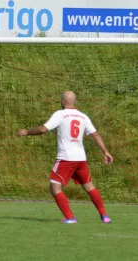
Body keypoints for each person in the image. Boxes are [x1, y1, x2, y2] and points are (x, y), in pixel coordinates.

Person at [18, 91, 113, 224]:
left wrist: (26, 132)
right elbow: (95, 135)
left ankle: (70, 217)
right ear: (75, 102)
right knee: (90, 187)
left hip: (66, 158)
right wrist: (106, 152)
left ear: (63, 102)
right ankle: (104, 216)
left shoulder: (60, 114)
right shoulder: (83, 116)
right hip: (81, 159)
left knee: (54, 187)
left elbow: (43, 129)